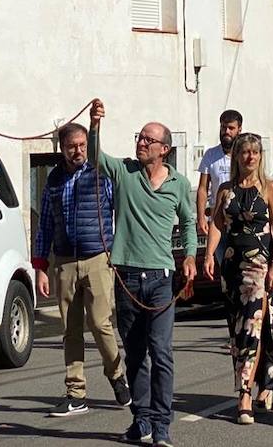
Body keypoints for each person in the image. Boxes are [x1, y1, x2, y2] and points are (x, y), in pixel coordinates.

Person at [89, 98, 197, 447]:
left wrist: (190, 257)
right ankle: (142, 420)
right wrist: (95, 125)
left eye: (148, 140)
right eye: (140, 137)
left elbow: (189, 222)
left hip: (161, 280)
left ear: (164, 149)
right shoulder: (125, 172)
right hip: (127, 278)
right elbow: (95, 157)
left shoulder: (179, 184)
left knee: (161, 353)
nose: (141, 143)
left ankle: (162, 424)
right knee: (135, 355)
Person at [32, 122, 129, 417]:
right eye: (72, 146)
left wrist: (119, 253)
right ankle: (76, 392)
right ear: (61, 148)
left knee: (100, 324)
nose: (78, 151)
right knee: (71, 330)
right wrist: (40, 266)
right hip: (64, 262)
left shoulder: (101, 175)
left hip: (98, 259)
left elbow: (120, 212)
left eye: (83, 145)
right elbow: (45, 225)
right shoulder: (54, 180)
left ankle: (117, 375)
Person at [203, 133, 273, 424]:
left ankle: (245, 395)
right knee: (239, 331)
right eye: (244, 152)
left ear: (260, 156)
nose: (249, 157)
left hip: (260, 266)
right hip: (232, 266)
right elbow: (217, 224)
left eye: (254, 152)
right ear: (236, 156)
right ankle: (259, 381)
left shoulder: (270, 189)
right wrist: (209, 254)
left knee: (255, 328)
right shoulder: (225, 190)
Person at [196, 110, 243, 252]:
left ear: (239, 130)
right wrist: (201, 217)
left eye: (231, 128)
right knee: (222, 266)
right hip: (218, 221)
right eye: (223, 127)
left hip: (240, 220)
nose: (226, 131)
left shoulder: (244, 155)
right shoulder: (211, 155)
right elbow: (203, 188)